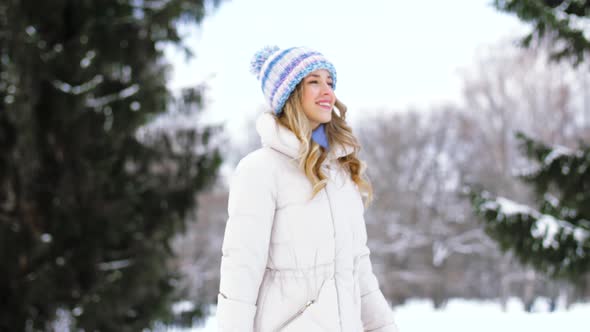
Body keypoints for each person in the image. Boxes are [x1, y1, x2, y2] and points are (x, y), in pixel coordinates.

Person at [217, 46, 399, 332]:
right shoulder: (259, 170)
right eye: (313, 81)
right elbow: (241, 271)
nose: (327, 91)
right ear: (288, 95)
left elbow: (359, 271)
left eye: (330, 82)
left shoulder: (340, 173)